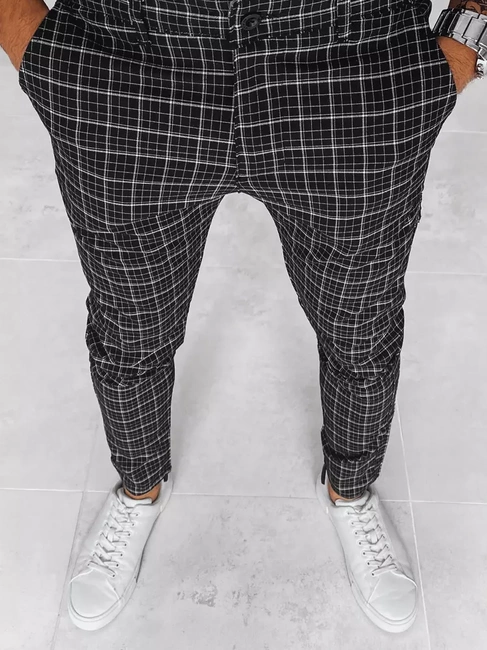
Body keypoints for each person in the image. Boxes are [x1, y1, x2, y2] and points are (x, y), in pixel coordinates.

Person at [1, 0, 480, 636]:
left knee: (360, 326)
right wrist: (34, 44)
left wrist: (465, 39)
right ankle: (140, 486)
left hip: (351, 64)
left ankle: (350, 488)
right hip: (126, 64)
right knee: (130, 327)